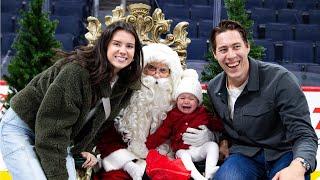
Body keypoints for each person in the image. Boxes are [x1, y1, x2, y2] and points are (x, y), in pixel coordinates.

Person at [0, 21, 144, 180]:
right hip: (21, 128)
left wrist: (88, 149)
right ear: (104, 46)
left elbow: (101, 124)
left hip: (55, 136)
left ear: (135, 52)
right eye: (116, 44)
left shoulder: (125, 84)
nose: (123, 51)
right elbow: (52, 129)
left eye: (129, 46)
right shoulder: (76, 72)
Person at [206, 19, 318, 179]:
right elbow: (225, 126)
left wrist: (299, 165)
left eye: (236, 46)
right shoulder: (214, 87)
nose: (231, 55)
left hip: (284, 153)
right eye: (223, 49)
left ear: (247, 47)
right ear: (215, 54)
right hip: (244, 156)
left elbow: (304, 134)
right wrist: (223, 141)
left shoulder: (280, 79)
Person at [94, 43, 184, 180]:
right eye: (151, 68)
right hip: (124, 161)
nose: (157, 76)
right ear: (142, 70)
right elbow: (105, 135)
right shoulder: (123, 95)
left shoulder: (179, 103)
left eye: (163, 70)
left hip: (164, 160)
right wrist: (128, 164)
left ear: (171, 75)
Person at [146, 69, 221, 180]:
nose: (186, 101)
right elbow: (163, 132)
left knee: (213, 146)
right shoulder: (172, 115)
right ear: (176, 100)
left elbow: (215, 124)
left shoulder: (203, 112)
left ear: (198, 102)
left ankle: (210, 170)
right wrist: (148, 145)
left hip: (201, 148)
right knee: (182, 155)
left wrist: (221, 126)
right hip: (183, 150)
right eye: (182, 98)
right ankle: (197, 177)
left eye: (191, 98)